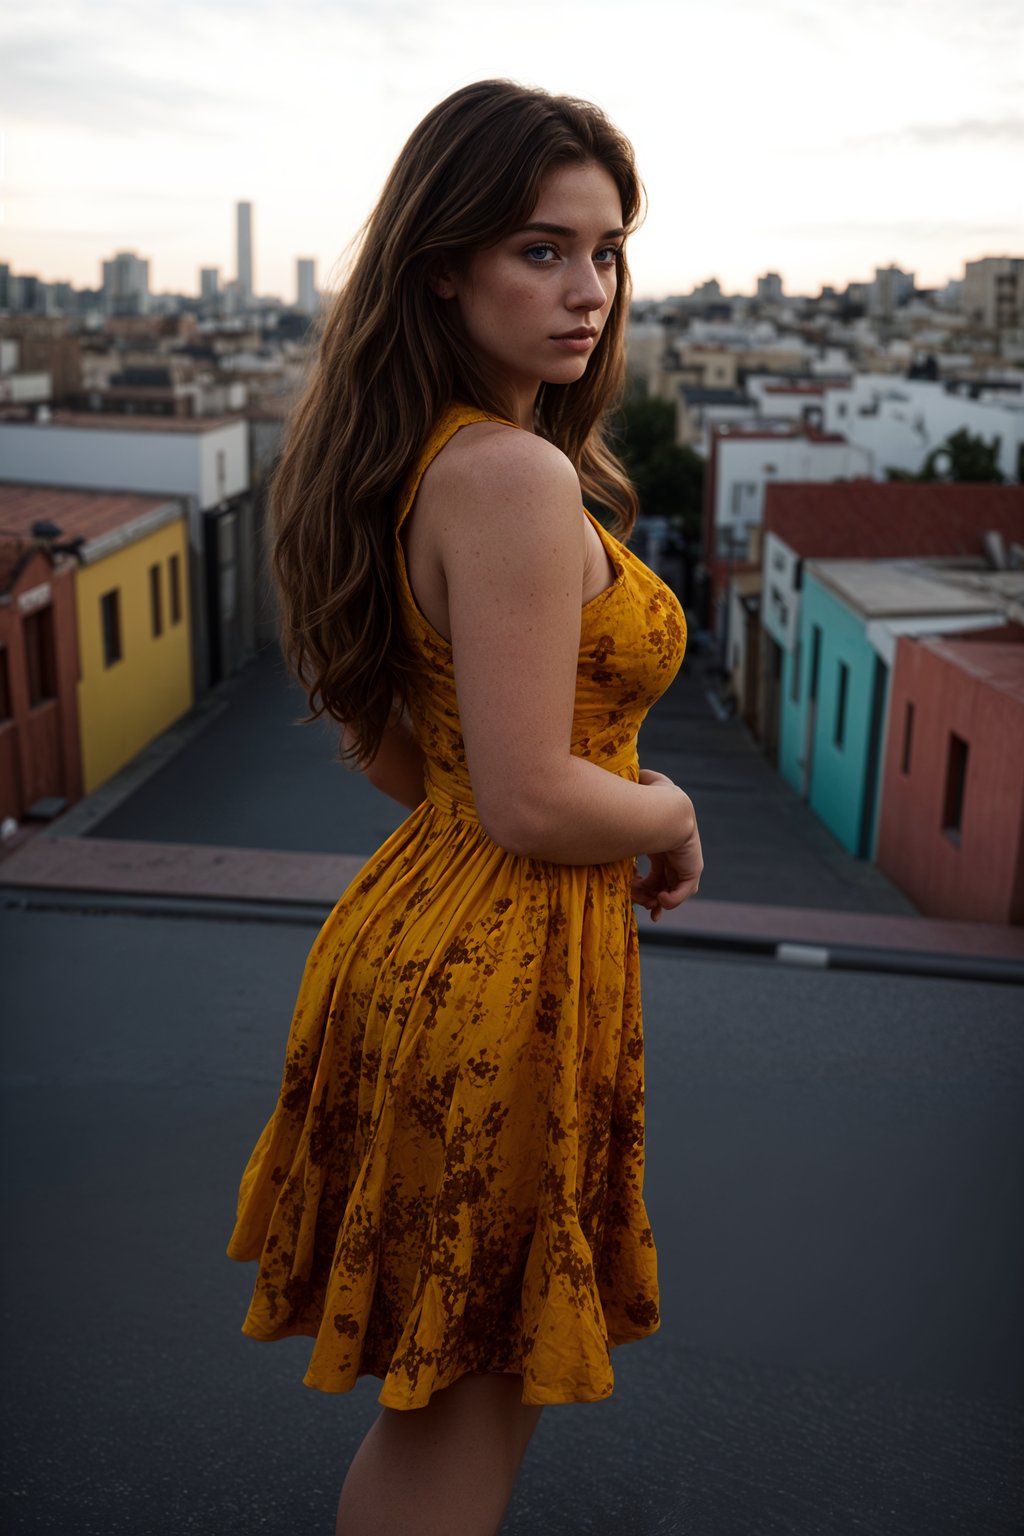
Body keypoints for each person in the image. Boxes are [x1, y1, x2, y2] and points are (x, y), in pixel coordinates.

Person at [226, 79, 704, 1536]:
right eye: (539, 250)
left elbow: (404, 762)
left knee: (447, 1397)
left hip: (431, 947)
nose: (586, 291)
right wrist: (670, 810)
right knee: (461, 1414)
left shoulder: (423, 454)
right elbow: (525, 801)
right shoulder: (506, 474)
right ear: (444, 265)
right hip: (496, 978)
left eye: (606, 251)